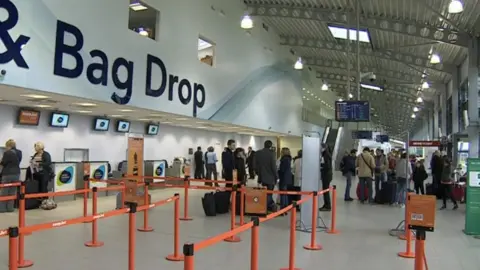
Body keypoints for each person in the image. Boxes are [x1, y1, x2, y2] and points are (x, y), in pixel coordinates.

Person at [255, 140, 278, 212]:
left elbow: (255, 165)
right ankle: (267, 207)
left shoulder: (258, 153)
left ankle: (266, 205)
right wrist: (277, 176)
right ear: (270, 146)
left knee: (264, 192)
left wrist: (258, 173)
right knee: (269, 193)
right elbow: (273, 167)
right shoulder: (272, 154)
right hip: (270, 177)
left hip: (262, 176)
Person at [0, 139, 22, 213]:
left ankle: (2, 209)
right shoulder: (19, 152)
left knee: (4, 191)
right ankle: (10, 208)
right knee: (13, 191)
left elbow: (3, 163)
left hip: (7, 174)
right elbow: (18, 162)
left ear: (9, 146)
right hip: (17, 173)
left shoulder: (7, 153)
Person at [320, 143, 333, 211]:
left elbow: (327, 166)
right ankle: (326, 204)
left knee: (325, 191)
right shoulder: (327, 154)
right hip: (328, 175)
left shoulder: (326, 155)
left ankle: (327, 205)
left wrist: (321, 167)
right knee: (325, 190)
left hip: (326, 175)